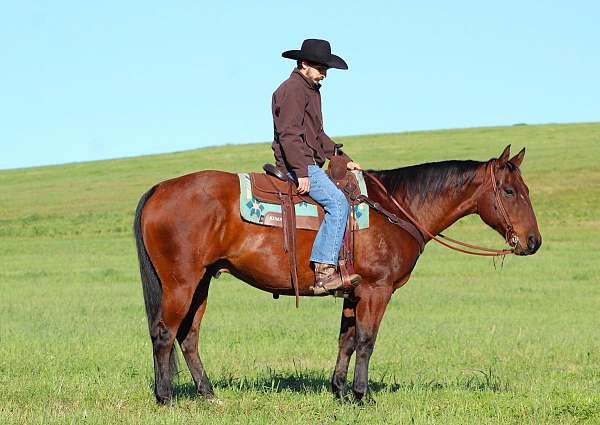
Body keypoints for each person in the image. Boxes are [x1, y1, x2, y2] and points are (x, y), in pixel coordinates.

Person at [271, 39, 362, 294]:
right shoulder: (292, 90)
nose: (324, 74)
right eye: (321, 68)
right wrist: (301, 172)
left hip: (307, 161)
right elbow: (289, 135)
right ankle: (324, 272)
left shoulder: (311, 90)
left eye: (326, 69)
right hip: (297, 164)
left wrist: (341, 157)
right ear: (304, 64)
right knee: (338, 203)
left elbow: (317, 135)